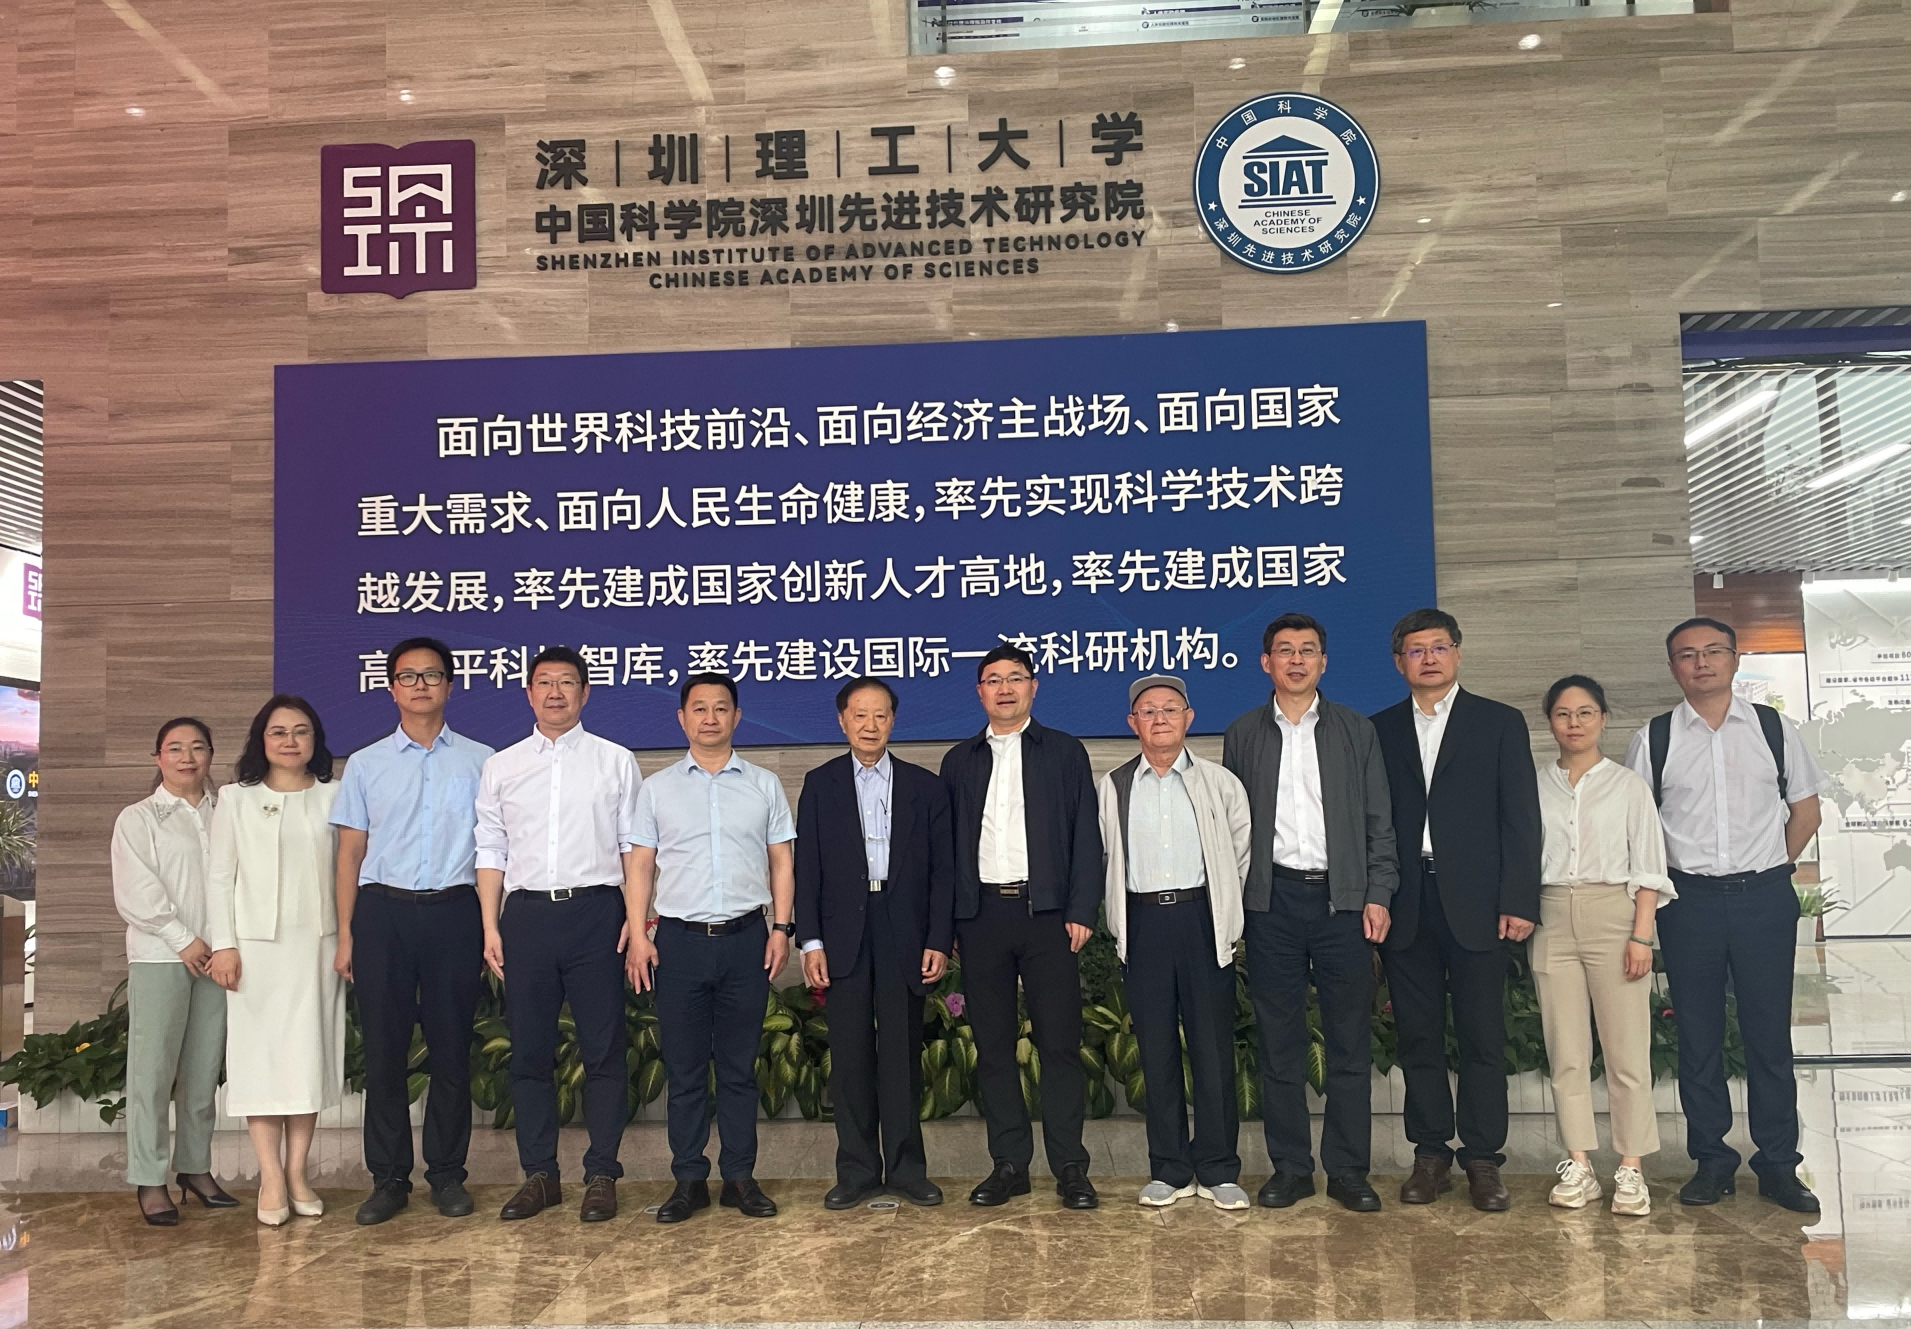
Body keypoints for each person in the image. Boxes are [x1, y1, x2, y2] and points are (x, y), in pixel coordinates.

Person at [1624, 617, 1829, 1213]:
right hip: (1688, 903)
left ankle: (1779, 1165)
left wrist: (1769, 868)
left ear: (1735, 660)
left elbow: (1807, 812)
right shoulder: (1654, 738)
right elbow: (1639, 829)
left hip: (1764, 898)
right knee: (1698, 1035)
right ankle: (1711, 1161)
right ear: (1673, 668)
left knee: (1769, 1035)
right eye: (1687, 655)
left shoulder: (1773, 729)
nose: (1702, 662)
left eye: (1714, 651)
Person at [1223, 614, 1397, 1212]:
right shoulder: (1243, 733)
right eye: (1285, 650)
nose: (1296, 660)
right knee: (1279, 1043)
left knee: (1349, 1042)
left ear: (1324, 661)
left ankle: (1347, 1170)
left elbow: (1379, 820)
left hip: (1341, 902)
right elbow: (1234, 828)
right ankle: (1291, 1168)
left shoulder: (1355, 730)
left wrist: (1378, 892)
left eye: (1308, 650)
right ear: (1266, 663)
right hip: (1271, 903)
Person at [1370, 608, 1542, 1212]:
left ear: (1458, 653)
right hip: (1407, 902)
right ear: (1400, 662)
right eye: (1416, 650)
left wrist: (1518, 898)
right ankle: (1430, 1155)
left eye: (1439, 647)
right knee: (1418, 1037)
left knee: (1482, 1036)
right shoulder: (1379, 729)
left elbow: (1521, 816)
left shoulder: (1498, 722)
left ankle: (1483, 1159)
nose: (1429, 658)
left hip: (1479, 904)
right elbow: (1372, 821)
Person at [476, 645, 643, 1224]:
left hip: (598, 913)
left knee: (603, 1050)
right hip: (525, 917)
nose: (555, 692)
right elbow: (491, 848)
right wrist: (490, 924)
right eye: (544, 682)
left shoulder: (615, 761)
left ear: (585, 693)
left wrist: (636, 919)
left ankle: (602, 1174)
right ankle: (539, 1175)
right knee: (529, 1052)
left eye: (567, 682)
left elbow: (633, 847)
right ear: (528, 693)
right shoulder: (502, 766)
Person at [332, 636, 495, 1226]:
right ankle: (389, 1179)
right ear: (391, 688)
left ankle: (447, 1175)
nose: (420, 685)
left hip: (455, 913)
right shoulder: (366, 764)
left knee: (451, 1049)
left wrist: (490, 926)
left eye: (431, 675)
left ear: (450, 685)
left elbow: (494, 850)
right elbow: (350, 854)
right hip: (383, 915)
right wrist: (346, 934)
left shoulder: (483, 762)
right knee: (384, 1051)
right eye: (408, 676)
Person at [628, 673, 797, 1224]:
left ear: (736, 717)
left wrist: (781, 929)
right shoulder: (657, 789)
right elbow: (641, 866)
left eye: (720, 708)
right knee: (685, 1070)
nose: (709, 717)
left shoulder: (764, 784)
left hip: (747, 940)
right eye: (698, 708)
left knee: (739, 1067)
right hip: (678, 943)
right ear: (682, 718)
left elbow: (781, 861)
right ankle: (688, 1179)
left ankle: (740, 1176)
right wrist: (638, 934)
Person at [941, 644, 1103, 1210]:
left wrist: (1082, 909)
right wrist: (950, 921)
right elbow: (946, 850)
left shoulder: (1063, 751)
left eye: (1015, 678)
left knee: (1059, 1044)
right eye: (993, 680)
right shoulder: (959, 760)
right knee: (992, 1046)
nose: (1004, 688)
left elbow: (1087, 835)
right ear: (979, 692)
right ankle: (1009, 1164)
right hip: (981, 917)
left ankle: (1070, 1166)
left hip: (1049, 916)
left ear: (1034, 686)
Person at [796, 677, 955, 1210]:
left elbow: (943, 873)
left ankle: (908, 1170)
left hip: (903, 926)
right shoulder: (820, 784)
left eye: (880, 715)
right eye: (860, 715)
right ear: (842, 721)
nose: (870, 725)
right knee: (850, 1054)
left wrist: (939, 938)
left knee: (903, 1052)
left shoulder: (924, 786)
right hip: (844, 930)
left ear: (893, 721)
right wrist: (810, 941)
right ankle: (858, 1171)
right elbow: (808, 868)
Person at [1100, 675, 1253, 1211]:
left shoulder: (1219, 782)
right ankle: (1168, 1169)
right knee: (1156, 1049)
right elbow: (1104, 857)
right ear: (1133, 723)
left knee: (1212, 1048)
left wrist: (1224, 914)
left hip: (1201, 920)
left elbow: (1240, 854)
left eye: (1170, 708)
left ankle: (1219, 1169)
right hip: (1143, 923)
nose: (1160, 718)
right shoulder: (1114, 786)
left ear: (1189, 718)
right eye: (1148, 711)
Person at [1533, 674, 1671, 1217]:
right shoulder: (1535, 785)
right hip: (1551, 915)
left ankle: (1631, 1168)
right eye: (1563, 714)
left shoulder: (1628, 786)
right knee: (1565, 1051)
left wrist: (1641, 935)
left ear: (1604, 719)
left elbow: (1649, 865)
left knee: (1626, 1050)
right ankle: (1580, 1165)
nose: (1574, 723)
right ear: (1550, 722)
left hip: (1615, 913)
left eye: (1585, 712)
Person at [205, 696, 346, 1227]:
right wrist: (224, 944)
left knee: (307, 1058)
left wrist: (349, 939)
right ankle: (269, 1177)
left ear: (316, 739)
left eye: (301, 731)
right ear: (261, 740)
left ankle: (297, 1173)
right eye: (278, 731)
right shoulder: (236, 799)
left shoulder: (336, 795)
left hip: (317, 946)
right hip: (254, 951)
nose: (290, 741)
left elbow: (350, 872)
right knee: (261, 1063)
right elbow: (220, 877)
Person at [112, 717, 238, 1225]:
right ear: (158, 758)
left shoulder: (227, 812)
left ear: (211, 756)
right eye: (175, 748)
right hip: (161, 956)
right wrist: (183, 939)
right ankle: (149, 1178)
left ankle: (195, 1168)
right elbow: (136, 890)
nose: (187, 757)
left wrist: (221, 945)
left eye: (198, 747)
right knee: (152, 1072)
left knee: (203, 1070)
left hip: (218, 959)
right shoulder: (139, 818)